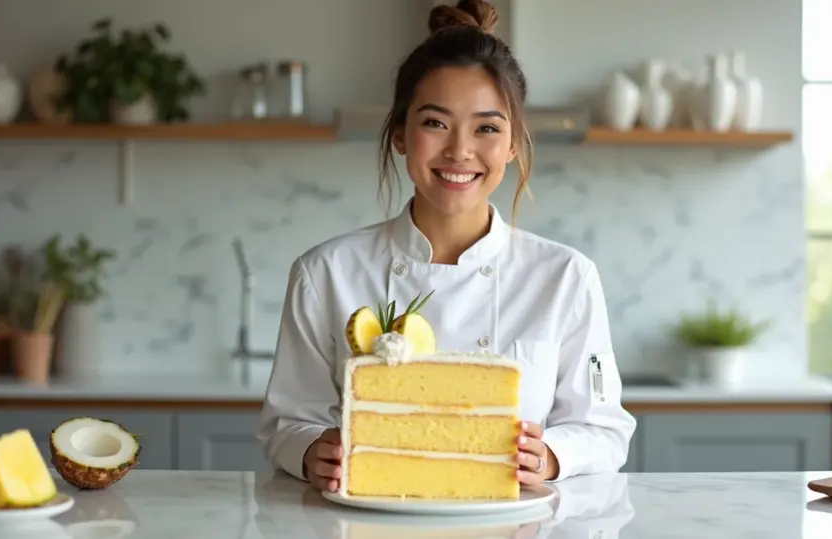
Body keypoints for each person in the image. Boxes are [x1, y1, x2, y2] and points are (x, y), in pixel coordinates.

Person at [256, 0, 637, 493]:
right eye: (435, 123)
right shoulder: (325, 272)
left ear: (514, 144)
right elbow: (286, 423)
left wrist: (551, 456)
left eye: (487, 128)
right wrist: (312, 452)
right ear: (399, 134)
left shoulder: (566, 276)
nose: (460, 150)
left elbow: (604, 429)